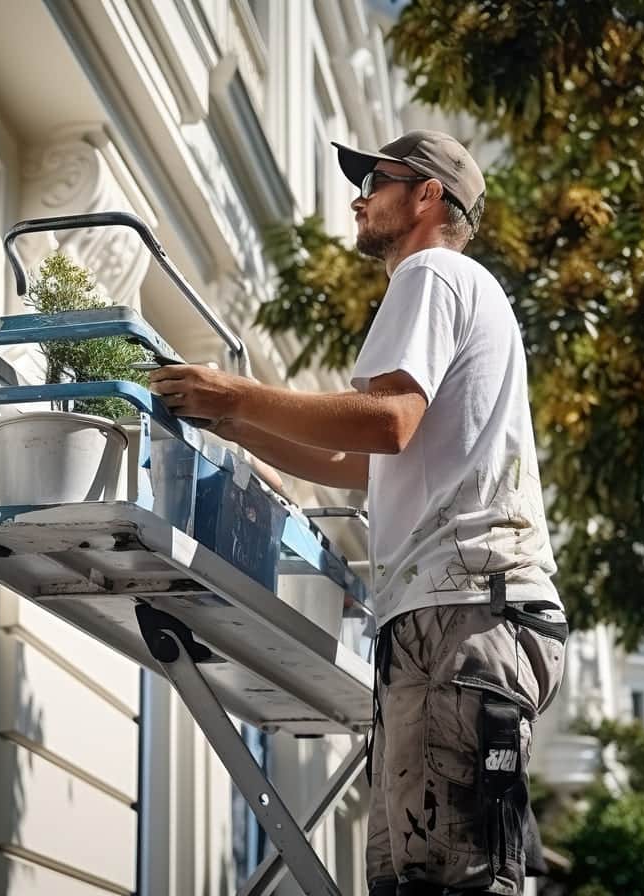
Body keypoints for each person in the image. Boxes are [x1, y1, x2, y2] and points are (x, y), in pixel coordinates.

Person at [148, 129, 566, 896]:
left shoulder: (431, 273)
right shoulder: (463, 291)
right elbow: (359, 462)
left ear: (428, 195)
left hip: (461, 613)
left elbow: (389, 422)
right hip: (465, 615)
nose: (358, 198)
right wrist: (232, 420)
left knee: (440, 881)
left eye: (375, 181)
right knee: (412, 877)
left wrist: (240, 394)